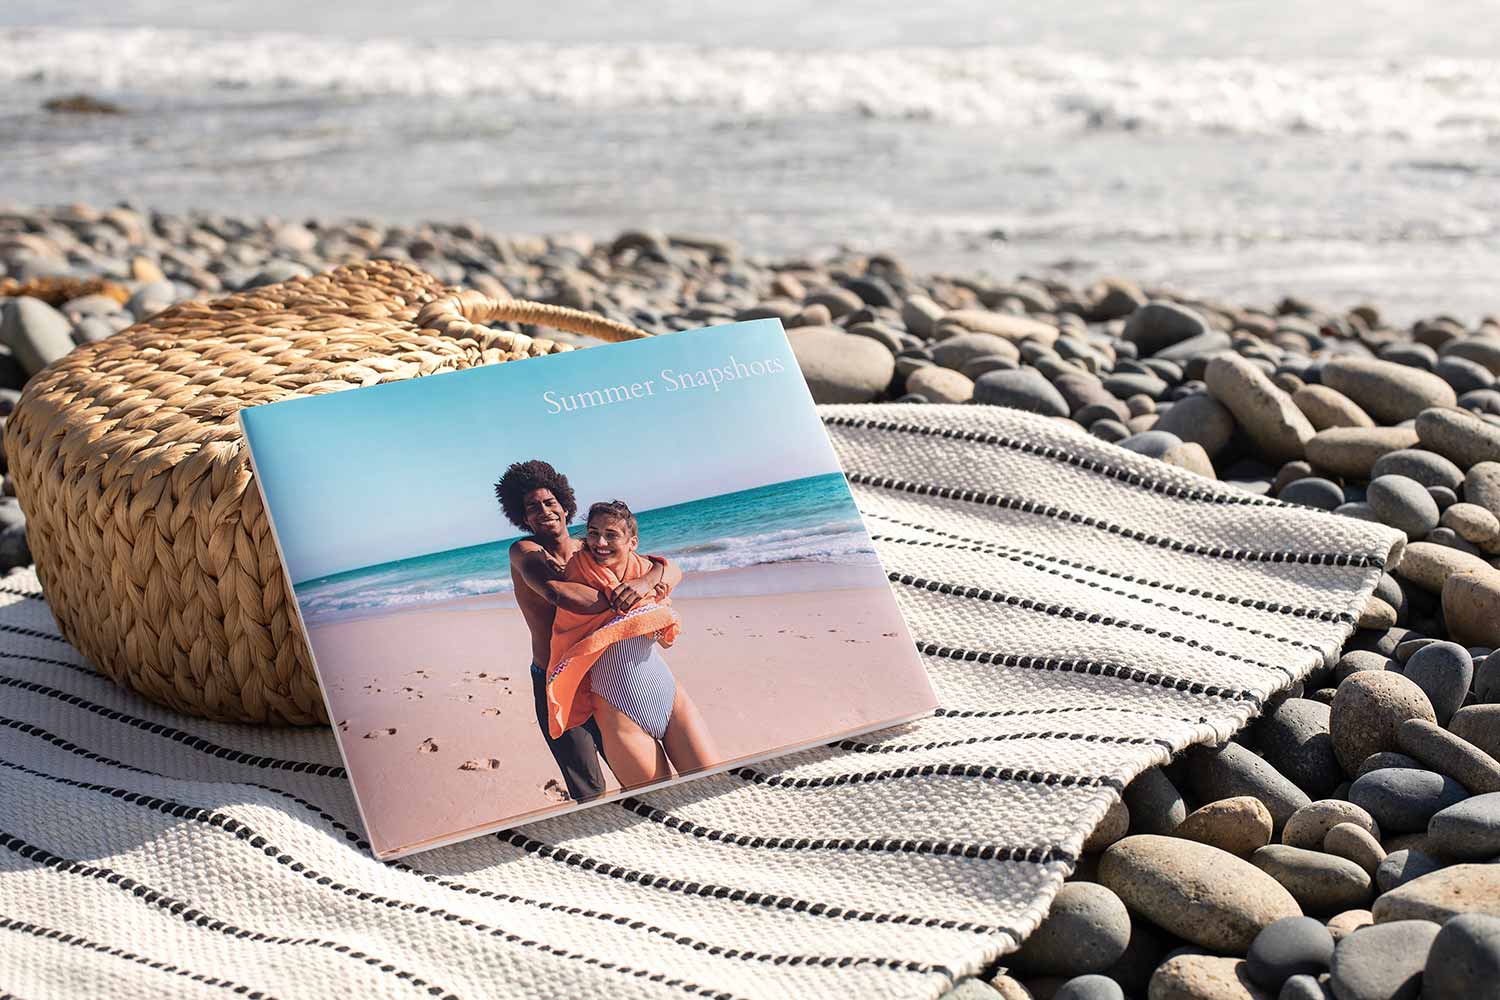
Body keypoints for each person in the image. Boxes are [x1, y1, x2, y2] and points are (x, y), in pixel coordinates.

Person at [496, 460, 677, 801]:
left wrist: (644, 581)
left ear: (565, 506)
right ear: (524, 519)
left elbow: (657, 566)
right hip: (557, 677)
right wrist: (622, 597)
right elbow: (558, 593)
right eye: (533, 508)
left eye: (549, 503)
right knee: (589, 788)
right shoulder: (525, 551)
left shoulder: (591, 547)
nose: (544, 511)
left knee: (634, 770)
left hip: (605, 672)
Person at [546, 500, 720, 789]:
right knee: (663, 807)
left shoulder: (645, 571)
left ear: (632, 542)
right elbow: (569, 596)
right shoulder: (578, 572)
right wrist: (650, 583)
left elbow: (670, 568)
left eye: (611, 534)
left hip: (670, 699)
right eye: (593, 533)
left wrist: (647, 581)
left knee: (716, 789)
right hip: (619, 713)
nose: (600, 542)